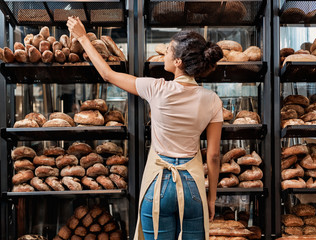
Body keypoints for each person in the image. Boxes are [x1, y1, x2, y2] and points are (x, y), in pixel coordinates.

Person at [67, 16, 223, 240]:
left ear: (178, 62)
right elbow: (214, 155)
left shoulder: (156, 88)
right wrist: (211, 198)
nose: (166, 54)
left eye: (169, 50)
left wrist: (82, 36)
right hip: (193, 187)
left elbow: (107, 74)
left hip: (158, 183)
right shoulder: (212, 100)